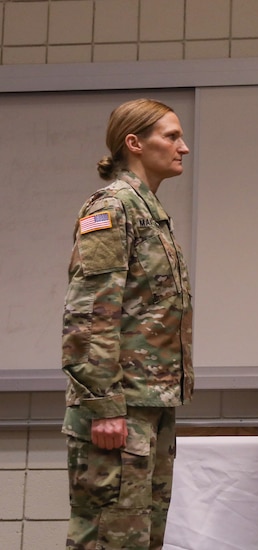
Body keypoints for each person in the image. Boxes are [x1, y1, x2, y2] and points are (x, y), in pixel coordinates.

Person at [61, 98, 194, 550]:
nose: (184, 147)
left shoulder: (150, 212)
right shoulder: (113, 208)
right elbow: (89, 314)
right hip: (118, 410)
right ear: (134, 143)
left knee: (140, 539)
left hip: (148, 405)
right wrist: (103, 403)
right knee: (107, 539)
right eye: (172, 136)